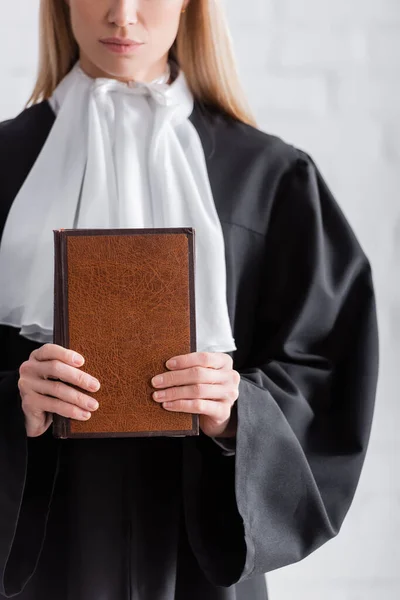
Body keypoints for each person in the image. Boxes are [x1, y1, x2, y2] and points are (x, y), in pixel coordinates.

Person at [0, 1, 379, 599]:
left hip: (199, 541)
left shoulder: (271, 176)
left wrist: (240, 414)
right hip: (42, 540)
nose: (122, 16)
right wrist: (12, 400)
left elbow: (327, 364)